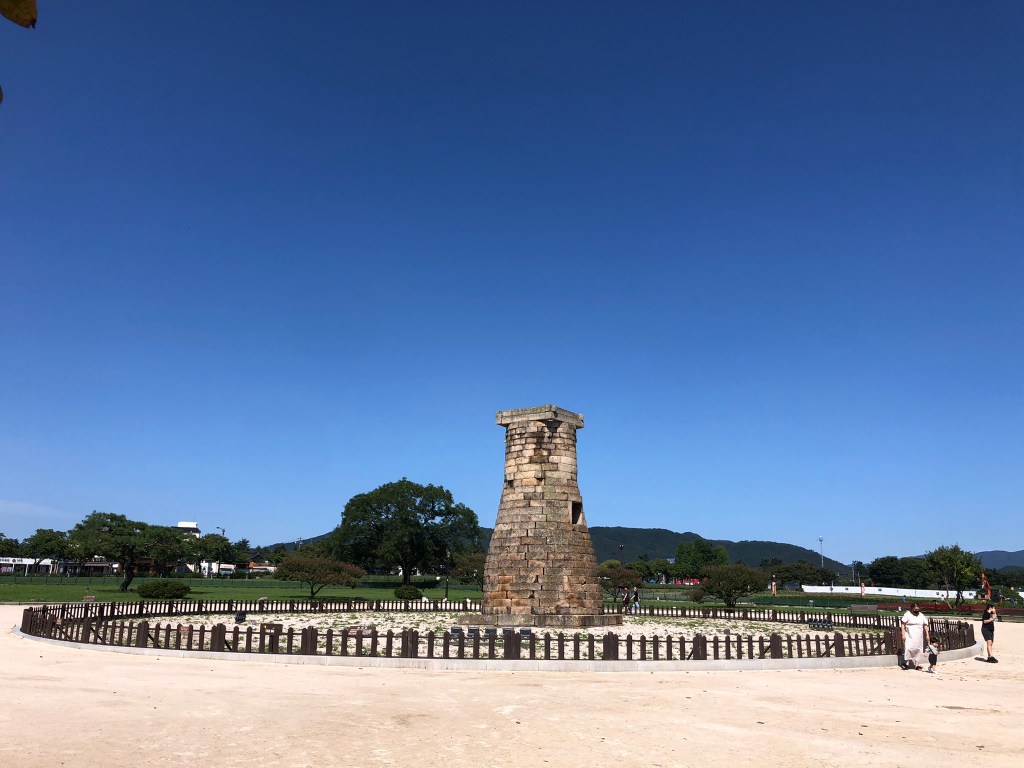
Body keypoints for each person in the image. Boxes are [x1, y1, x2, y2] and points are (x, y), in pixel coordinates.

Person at [900, 602, 930, 670]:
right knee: (908, 648)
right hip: (910, 634)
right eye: (915, 609)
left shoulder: (921, 615)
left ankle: (917, 665)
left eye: (917, 609)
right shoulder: (907, 614)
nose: (916, 610)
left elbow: (925, 625)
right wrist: (903, 634)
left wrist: (927, 634)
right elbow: (903, 624)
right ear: (912, 608)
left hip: (919, 635)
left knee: (918, 648)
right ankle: (906, 663)